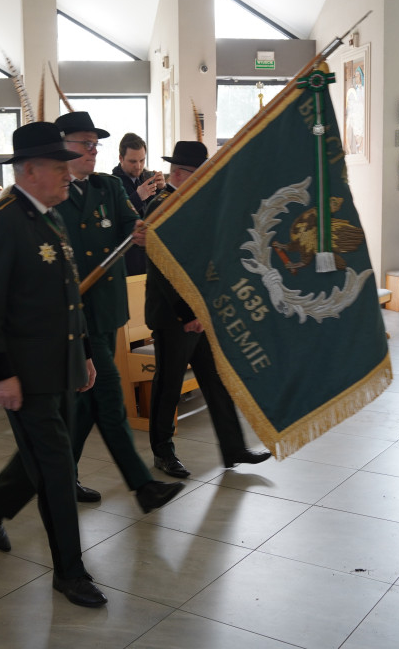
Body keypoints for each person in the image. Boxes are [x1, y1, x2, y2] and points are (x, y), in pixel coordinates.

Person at [0, 122, 105, 608]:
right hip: (24, 374)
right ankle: (70, 572)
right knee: (58, 470)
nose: (68, 172)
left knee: (41, 459)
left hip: (60, 365)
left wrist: (84, 352)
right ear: (29, 171)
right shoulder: (0, 221)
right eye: (58, 165)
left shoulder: (51, 217)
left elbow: (68, 296)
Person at [53, 110, 184, 506]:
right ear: (63, 147)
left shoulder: (107, 187)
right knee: (107, 395)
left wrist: (140, 231)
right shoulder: (53, 195)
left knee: (87, 403)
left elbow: (131, 223)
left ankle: (53, 477)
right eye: (85, 144)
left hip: (107, 310)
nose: (93, 151)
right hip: (75, 315)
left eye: (96, 144)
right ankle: (143, 485)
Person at [146, 141, 271, 478]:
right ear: (180, 173)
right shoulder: (162, 206)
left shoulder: (191, 203)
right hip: (174, 316)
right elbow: (163, 267)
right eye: (199, 174)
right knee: (169, 385)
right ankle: (162, 452)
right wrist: (187, 314)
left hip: (201, 313)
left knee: (215, 380)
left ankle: (233, 447)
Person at [111, 132, 164, 275]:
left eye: (142, 160)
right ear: (121, 158)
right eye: (133, 161)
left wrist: (161, 189)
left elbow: (158, 214)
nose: (138, 166)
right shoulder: (112, 184)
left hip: (149, 254)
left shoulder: (146, 178)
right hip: (128, 259)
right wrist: (137, 197)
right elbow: (114, 218)